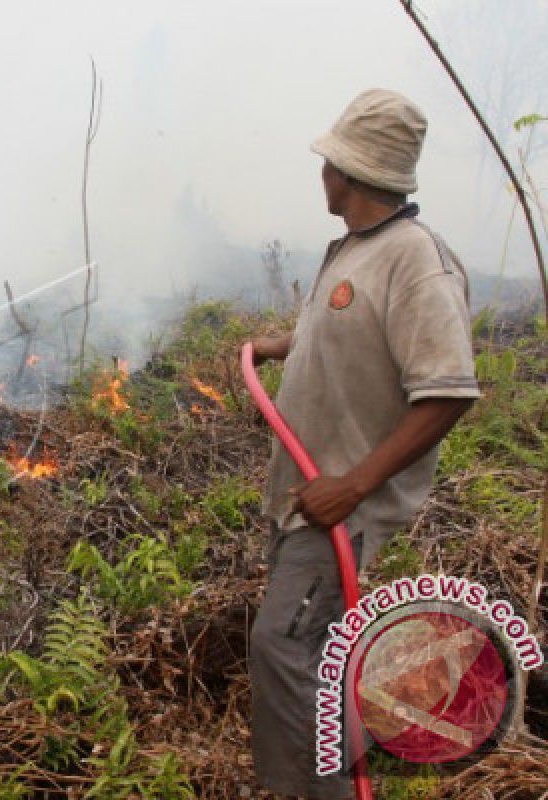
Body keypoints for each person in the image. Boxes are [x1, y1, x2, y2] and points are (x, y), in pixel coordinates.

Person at [245, 88, 480, 798]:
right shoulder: (356, 250)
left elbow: (446, 392)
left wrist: (353, 484)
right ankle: (352, 757)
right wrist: (286, 344)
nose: (322, 171)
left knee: (283, 646)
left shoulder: (416, 261)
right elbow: (349, 332)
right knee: (309, 649)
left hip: (342, 508)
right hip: (314, 498)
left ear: (352, 170)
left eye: (330, 161)